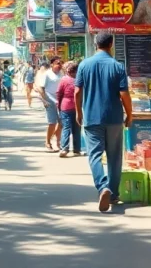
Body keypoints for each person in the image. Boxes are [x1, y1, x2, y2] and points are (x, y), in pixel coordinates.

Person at [75, 32, 132, 212]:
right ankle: (113, 194)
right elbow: (124, 94)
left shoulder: (84, 65)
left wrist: (78, 112)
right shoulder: (117, 66)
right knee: (115, 157)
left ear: (95, 44)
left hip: (92, 117)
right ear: (111, 44)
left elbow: (77, 92)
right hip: (114, 118)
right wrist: (129, 114)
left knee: (94, 155)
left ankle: (102, 187)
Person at [56, 61, 81, 158]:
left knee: (66, 127)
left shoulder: (64, 79)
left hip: (65, 106)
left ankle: (64, 148)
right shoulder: (79, 80)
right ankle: (77, 149)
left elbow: (59, 93)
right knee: (77, 128)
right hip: (77, 106)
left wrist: (58, 105)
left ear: (68, 71)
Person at [37, 57, 62, 152]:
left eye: (60, 63)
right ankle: (48, 142)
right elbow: (41, 88)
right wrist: (44, 100)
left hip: (60, 100)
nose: (59, 65)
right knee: (52, 122)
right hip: (50, 100)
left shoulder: (62, 73)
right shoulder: (47, 74)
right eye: (57, 63)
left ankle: (58, 142)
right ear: (52, 64)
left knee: (61, 122)